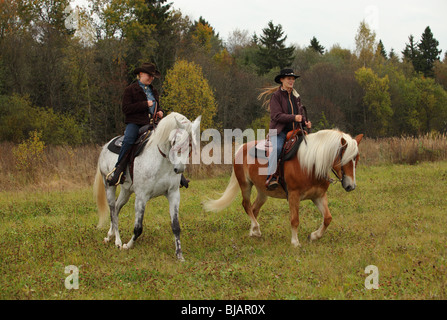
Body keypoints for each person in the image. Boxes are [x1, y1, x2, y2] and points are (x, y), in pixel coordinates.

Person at [106, 62, 164, 186]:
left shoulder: (154, 90)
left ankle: (177, 175)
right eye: (149, 75)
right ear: (141, 74)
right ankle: (118, 171)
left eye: (153, 76)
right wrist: (144, 104)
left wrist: (159, 111)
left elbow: (157, 105)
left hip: (152, 123)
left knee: (169, 139)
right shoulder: (130, 90)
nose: (151, 78)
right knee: (128, 140)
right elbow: (126, 109)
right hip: (135, 123)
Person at [260, 68, 312, 191]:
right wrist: (294, 117)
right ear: (282, 80)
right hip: (278, 131)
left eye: (293, 79)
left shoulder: (296, 96)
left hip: (294, 130)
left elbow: (299, 115)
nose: (291, 81)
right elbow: (276, 116)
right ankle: (271, 177)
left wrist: (305, 122)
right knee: (277, 148)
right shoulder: (276, 96)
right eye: (289, 78)